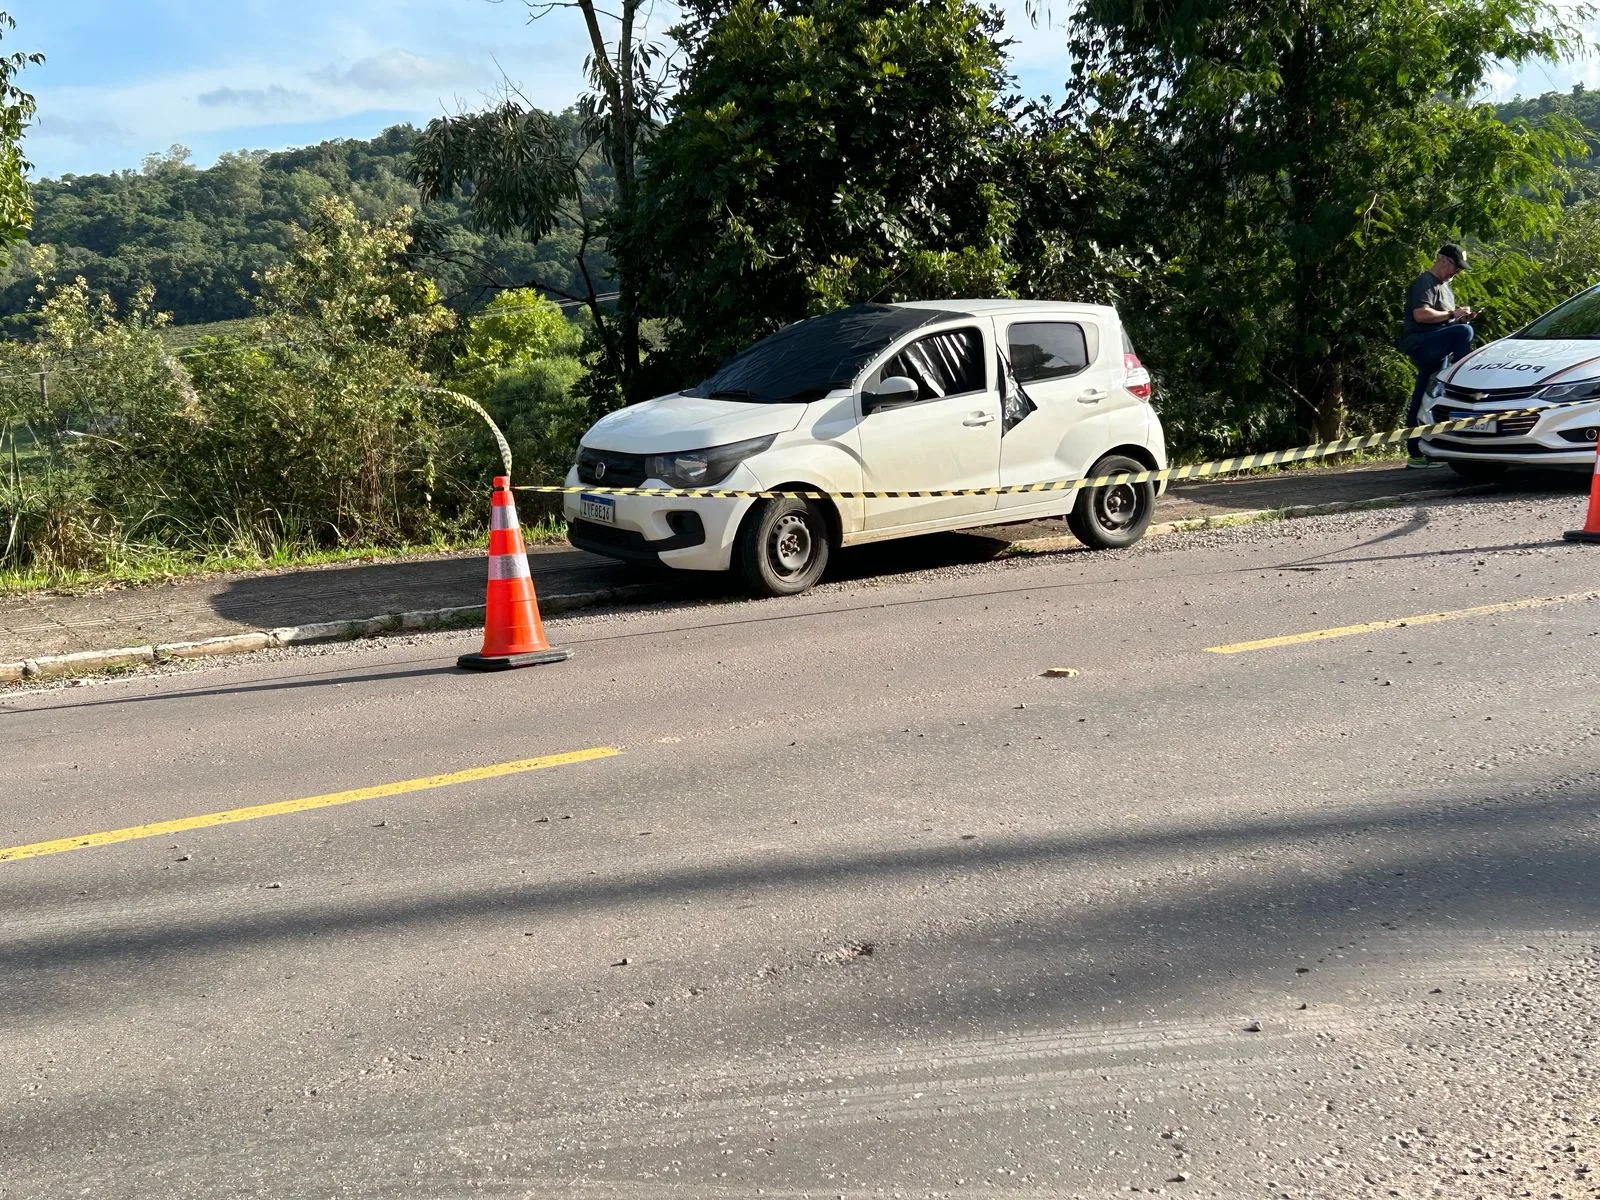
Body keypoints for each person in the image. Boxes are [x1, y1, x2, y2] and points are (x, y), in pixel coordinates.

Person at [1398, 243, 1475, 467]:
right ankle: (1459, 377)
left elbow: (1445, 319)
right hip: (1423, 343)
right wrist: (1454, 315)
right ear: (1443, 260)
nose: (1456, 273)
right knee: (1464, 332)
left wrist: (1458, 317)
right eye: (1455, 267)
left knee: (1424, 395)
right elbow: (1421, 315)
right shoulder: (1424, 282)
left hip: (1438, 345)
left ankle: (1417, 452)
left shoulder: (1446, 287)